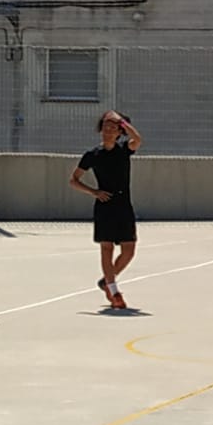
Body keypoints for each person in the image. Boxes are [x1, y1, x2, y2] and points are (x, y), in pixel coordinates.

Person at [69, 110, 143, 310]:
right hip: (105, 206)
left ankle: (106, 281)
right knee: (107, 248)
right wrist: (94, 192)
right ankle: (114, 291)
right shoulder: (92, 155)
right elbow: (73, 180)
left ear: (119, 132)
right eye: (105, 127)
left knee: (129, 250)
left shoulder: (124, 150)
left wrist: (122, 122)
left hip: (124, 205)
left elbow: (137, 139)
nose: (108, 131)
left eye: (112, 128)